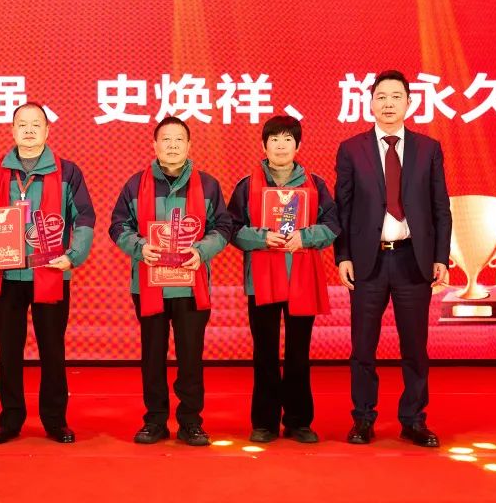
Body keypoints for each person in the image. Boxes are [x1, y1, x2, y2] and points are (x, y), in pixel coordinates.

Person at [0, 102, 95, 444]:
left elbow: (84, 218)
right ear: (12, 130)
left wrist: (72, 256)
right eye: (23, 124)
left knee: (53, 350)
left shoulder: (67, 172)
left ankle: (55, 421)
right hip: (5, 274)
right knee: (8, 351)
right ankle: (10, 419)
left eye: (36, 124)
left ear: (47, 130)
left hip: (50, 271)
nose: (30, 129)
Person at [333, 70, 451, 448]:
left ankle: (414, 420)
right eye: (381, 97)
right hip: (367, 263)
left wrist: (441, 256)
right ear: (369, 103)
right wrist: (343, 255)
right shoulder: (351, 149)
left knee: (414, 347)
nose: (388, 103)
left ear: (409, 103)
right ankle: (363, 418)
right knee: (362, 347)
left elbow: (440, 207)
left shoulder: (428, 149)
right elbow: (342, 208)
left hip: (412, 260)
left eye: (396, 97)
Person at [109, 116, 231, 447]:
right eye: (166, 139)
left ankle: (191, 421)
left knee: (191, 357)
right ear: (155, 145)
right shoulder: (136, 184)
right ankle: (155, 420)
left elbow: (223, 227)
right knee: (152, 355)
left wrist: (202, 251)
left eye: (179, 140)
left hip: (191, 285)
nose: (173, 145)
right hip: (149, 285)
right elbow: (118, 226)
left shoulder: (208, 185)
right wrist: (140, 247)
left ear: (189, 145)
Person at [227, 115, 340, 444]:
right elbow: (231, 228)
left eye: (287, 139)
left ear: (298, 145)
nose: (280, 145)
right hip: (261, 279)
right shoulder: (247, 185)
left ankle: (298, 421)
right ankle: (264, 422)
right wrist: (262, 238)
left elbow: (333, 225)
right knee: (264, 352)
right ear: (263, 145)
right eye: (274, 139)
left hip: (301, 276)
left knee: (298, 352)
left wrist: (305, 237)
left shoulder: (315, 185)